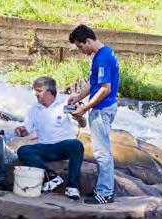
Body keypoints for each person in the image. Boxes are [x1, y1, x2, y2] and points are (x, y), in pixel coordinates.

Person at [68, 24, 119, 204]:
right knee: (102, 150)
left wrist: (85, 107)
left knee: (102, 153)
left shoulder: (102, 58)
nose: (81, 51)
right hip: (106, 107)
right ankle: (103, 190)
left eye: (80, 47)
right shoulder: (104, 53)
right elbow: (94, 83)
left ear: (88, 41)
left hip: (102, 109)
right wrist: (77, 98)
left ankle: (105, 194)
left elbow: (105, 89)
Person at [16, 76, 86, 200]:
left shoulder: (66, 103)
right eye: (34, 90)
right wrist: (21, 130)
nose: (35, 94)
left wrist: (80, 117)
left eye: (38, 91)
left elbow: (83, 124)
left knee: (77, 145)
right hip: (44, 147)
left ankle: (72, 187)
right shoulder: (34, 109)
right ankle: (51, 176)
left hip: (64, 145)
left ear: (48, 91)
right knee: (23, 151)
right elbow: (26, 130)